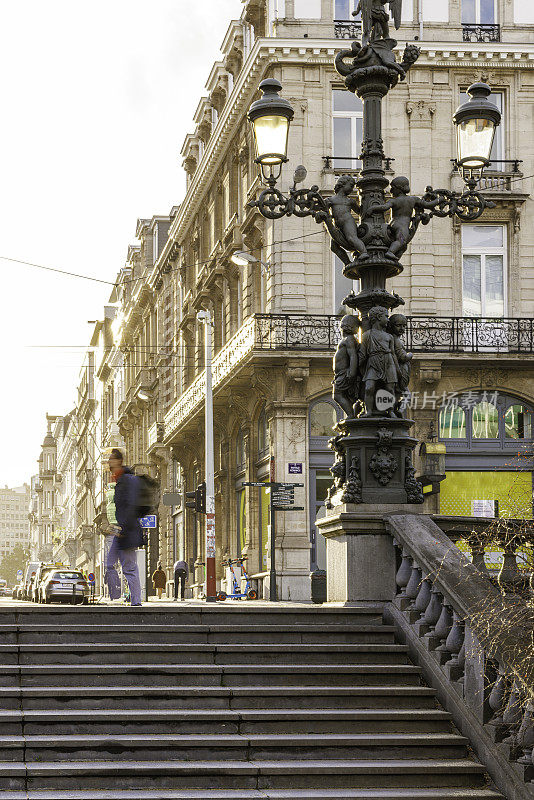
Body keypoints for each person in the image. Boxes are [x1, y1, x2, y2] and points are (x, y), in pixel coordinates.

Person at [105, 448, 143, 607]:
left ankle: (136, 602)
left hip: (127, 531)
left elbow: (131, 506)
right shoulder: (119, 480)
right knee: (109, 564)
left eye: (111, 459)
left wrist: (124, 528)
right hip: (120, 530)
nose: (108, 461)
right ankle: (115, 595)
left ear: (118, 461)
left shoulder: (127, 480)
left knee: (129, 568)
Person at [332, 315, 361, 418]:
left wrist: (352, 372)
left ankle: (350, 415)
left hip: (345, 373)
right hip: (341, 373)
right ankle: (354, 412)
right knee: (348, 397)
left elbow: (353, 356)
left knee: (337, 395)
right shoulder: (347, 339)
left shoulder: (349, 339)